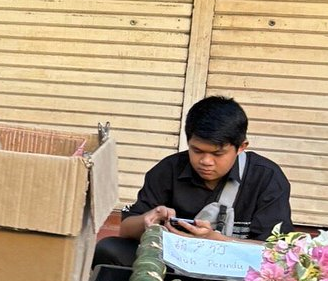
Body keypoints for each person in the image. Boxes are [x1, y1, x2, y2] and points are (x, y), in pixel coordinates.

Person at [94, 95, 292, 269]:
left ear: (241, 147)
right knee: (108, 249)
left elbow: (276, 251)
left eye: (217, 153)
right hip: (171, 265)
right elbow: (126, 228)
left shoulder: (267, 178)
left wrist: (216, 241)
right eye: (197, 151)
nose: (205, 161)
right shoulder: (168, 170)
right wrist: (148, 219)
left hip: (232, 269)